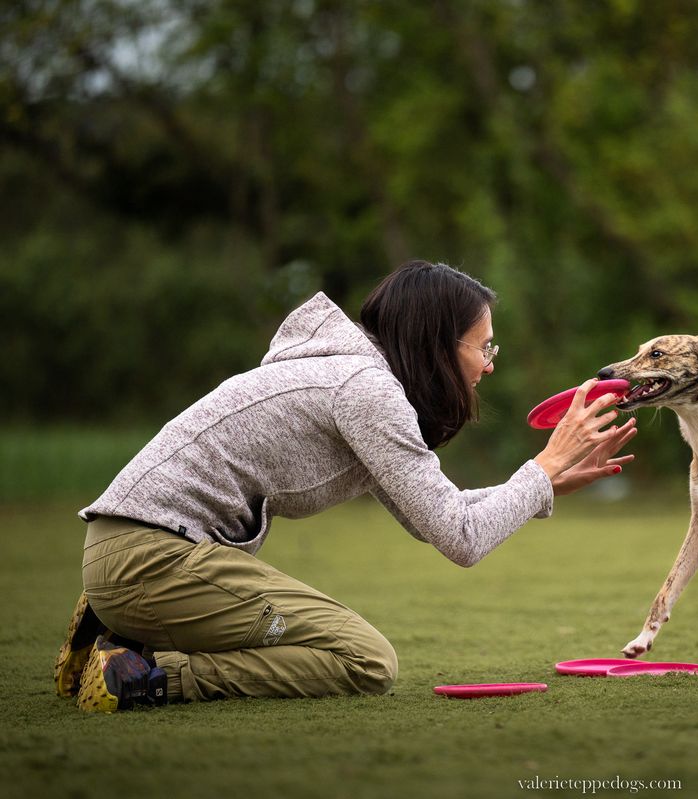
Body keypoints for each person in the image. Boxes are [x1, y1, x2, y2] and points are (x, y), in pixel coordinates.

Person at [56, 260, 637, 712]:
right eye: (483, 346)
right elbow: (463, 539)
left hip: (128, 550)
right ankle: (145, 675)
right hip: (154, 560)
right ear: (438, 343)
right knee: (364, 660)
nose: (490, 363)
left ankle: (114, 627)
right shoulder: (366, 389)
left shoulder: (359, 380)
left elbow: (436, 518)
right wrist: (543, 465)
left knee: (352, 651)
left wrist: (546, 486)